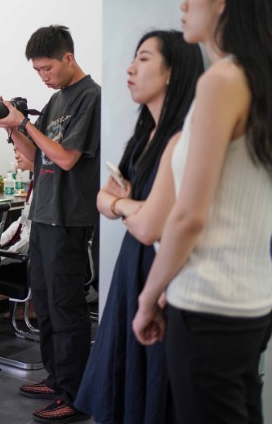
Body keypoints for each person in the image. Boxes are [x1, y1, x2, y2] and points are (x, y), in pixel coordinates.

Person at [132, 0, 272, 424]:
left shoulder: (222, 81)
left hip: (209, 305)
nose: (183, 2)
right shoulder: (264, 81)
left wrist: (148, 297)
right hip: (253, 301)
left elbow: (189, 216)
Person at [75, 31, 203, 423]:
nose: (130, 69)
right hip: (134, 268)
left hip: (160, 273)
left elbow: (149, 227)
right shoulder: (145, 135)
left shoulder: (182, 138)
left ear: (172, 72)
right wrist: (130, 206)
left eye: (144, 59)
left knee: (155, 386)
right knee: (125, 379)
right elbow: (102, 199)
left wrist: (124, 207)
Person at [0, 25, 100, 423]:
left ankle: (76, 395)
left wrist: (27, 124)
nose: (43, 77)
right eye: (37, 71)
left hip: (70, 217)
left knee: (67, 308)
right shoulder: (56, 100)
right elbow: (38, 157)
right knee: (47, 306)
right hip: (44, 214)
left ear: (68, 57)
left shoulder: (91, 97)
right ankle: (57, 379)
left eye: (47, 68)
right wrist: (13, 128)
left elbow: (67, 158)